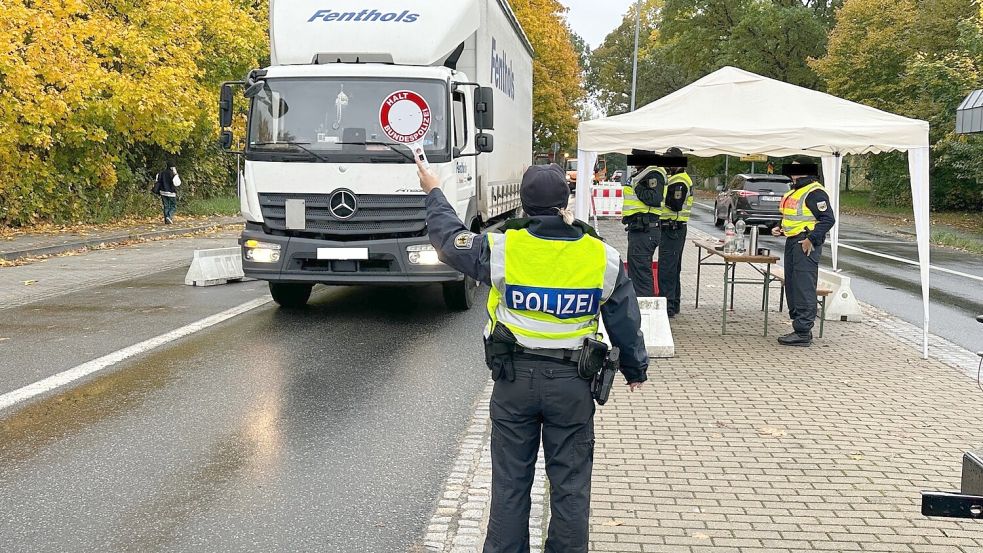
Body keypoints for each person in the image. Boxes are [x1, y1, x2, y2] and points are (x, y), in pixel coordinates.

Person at [416, 159, 649, 553]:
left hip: (514, 383)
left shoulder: (504, 248)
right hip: (573, 385)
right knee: (571, 488)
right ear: (566, 202)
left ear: (522, 204)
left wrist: (434, 191)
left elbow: (447, 239)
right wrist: (634, 366)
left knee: (510, 485)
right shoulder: (601, 256)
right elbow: (624, 317)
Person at [771, 161, 836, 346]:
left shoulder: (815, 192)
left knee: (803, 285)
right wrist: (779, 227)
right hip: (793, 241)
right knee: (792, 284)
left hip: (805, 243)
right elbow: (791, 216)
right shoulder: (796, 190)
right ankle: (799, 327)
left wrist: (811, 239)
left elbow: (827, 219)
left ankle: (803, 331)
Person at [655, 148, 693, 318]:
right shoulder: (675, 178)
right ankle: (673, 303)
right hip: (674, 228)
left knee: (667, 269)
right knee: (672, 268)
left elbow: (676, 204)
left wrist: (659, 197)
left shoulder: (679, 180)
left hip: (673, 228)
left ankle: (668, 306)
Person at [622, 150, 666, 298]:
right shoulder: (642, 173)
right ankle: (638, 306)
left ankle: (645, 308)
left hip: (645, 230)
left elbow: (654, 198)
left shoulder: (653, 173)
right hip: (638, 229)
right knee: (636, 271)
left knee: (641, 273)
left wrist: (636, 186)